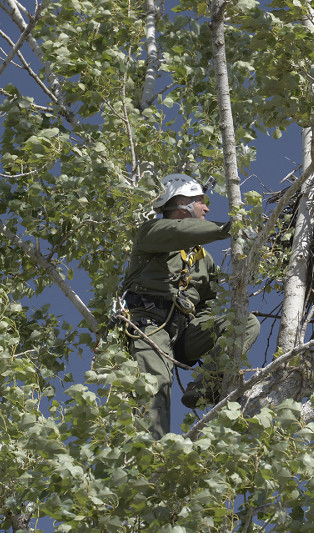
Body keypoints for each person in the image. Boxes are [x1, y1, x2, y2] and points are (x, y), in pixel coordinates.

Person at [121, 173, 260, 439]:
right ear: (182, 202)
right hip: (150, 325)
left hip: (184, 334)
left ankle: (207, 385)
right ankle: (152, 452)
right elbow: (179, 232)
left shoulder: (204, 261)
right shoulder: (152, 233)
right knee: (157, 383)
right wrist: (227, 229)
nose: (207, 208)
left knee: (245, 322)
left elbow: (207, 304)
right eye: (200, 201)